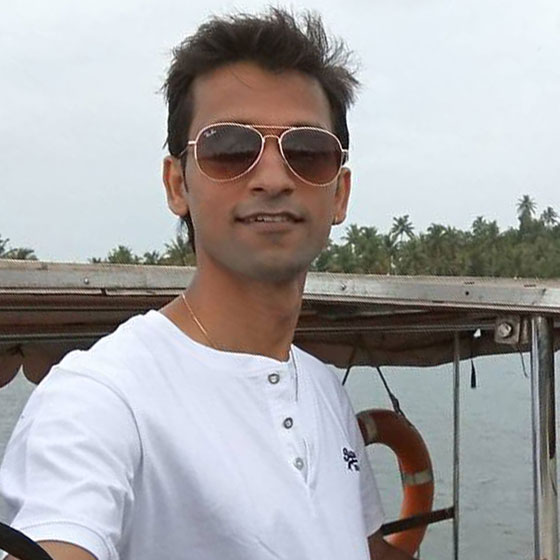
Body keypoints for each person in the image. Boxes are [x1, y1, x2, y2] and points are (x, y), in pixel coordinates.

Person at [0, 8, 417, 560]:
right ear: (178, 184)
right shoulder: (102, 397)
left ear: (338, 194)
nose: (273, 178)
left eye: (307, 153)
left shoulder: (322, 390)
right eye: (230, 149)